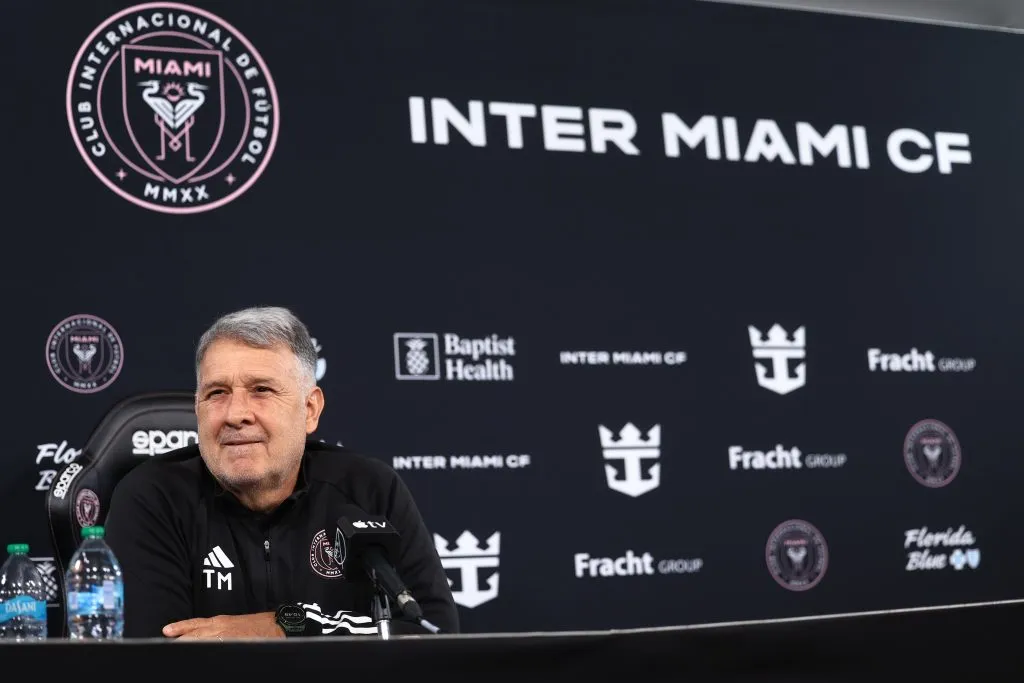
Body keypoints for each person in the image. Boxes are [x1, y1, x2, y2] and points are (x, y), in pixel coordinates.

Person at [104, 306, 459, 639]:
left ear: (309, 409)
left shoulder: (368, 490)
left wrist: (285, 626)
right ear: (198, 407)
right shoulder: (153, 497)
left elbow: (432, 631)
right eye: (217, 393)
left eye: (261, 390)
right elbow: (153, 656)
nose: (235, 414)